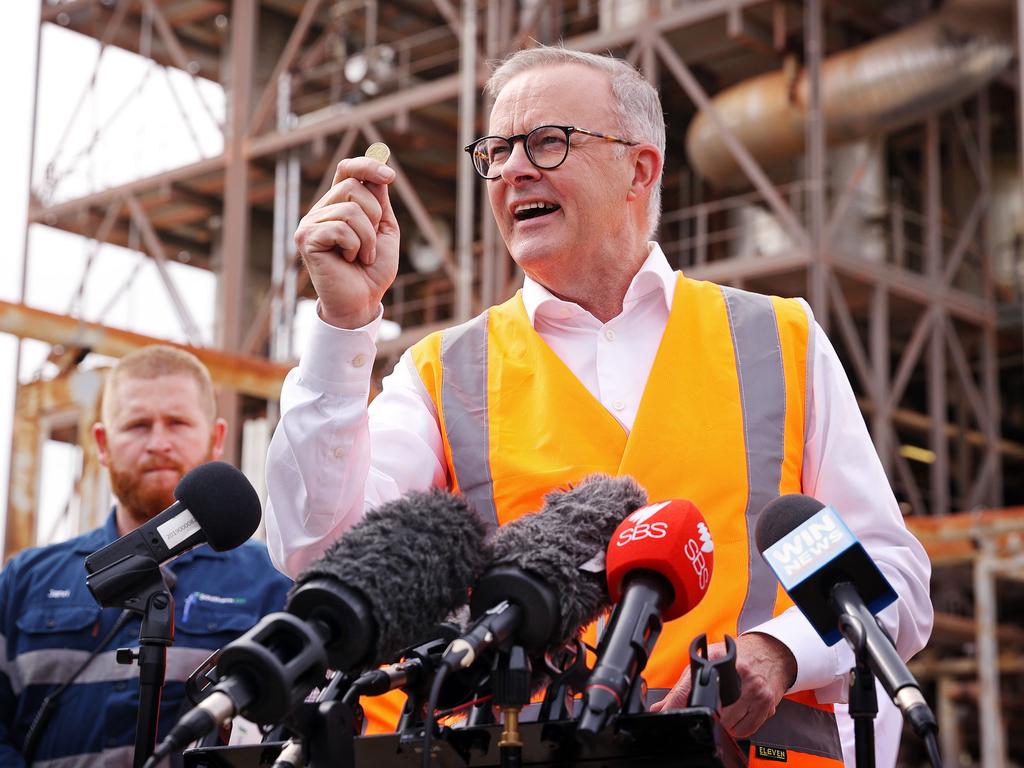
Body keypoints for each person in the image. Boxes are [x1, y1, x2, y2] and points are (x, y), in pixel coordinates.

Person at [264, 46, 932, 767]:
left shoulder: (780, 338)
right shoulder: (443, 371)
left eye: (547, 142)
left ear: (640, 169)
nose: (514, 169)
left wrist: (782, 652)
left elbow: (892, 577)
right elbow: (316, 552)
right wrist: (344, 327)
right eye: (496, 150)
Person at [0, 346, 292, 766]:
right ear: (102, 443)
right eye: (138, 425)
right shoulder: (25, 580)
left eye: (177, 423)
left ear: (216, 438)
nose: (158, 442)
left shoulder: (273, 581)